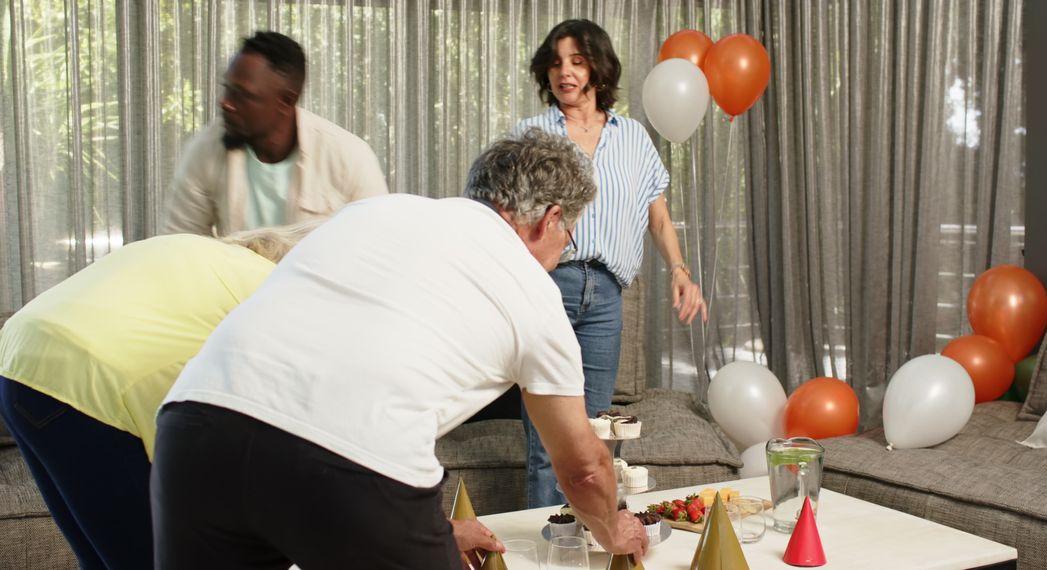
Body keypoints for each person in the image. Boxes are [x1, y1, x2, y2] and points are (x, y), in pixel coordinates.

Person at [150, 129, 649, 569]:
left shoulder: (374, 212)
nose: (565, 249)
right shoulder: (536, 294)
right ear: (549, 219)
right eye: (570, 235)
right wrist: (612, 529)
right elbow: (583, 467)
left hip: (194, 428)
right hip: (348, 463)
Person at [0, 222, 318, 570]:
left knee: (100, 556)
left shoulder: (198, 252)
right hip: (87, 382)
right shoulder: (272, 291)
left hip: (19, 358)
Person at [516, 19, 709, 508]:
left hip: (606, 296)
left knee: (595, 433)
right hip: (547, 289)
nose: (565, 72)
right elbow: (504, 214)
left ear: (598, 69)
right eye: (556, 62)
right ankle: (548, 544)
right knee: (547, 440)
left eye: (577, 61)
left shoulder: (634, 139)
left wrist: (681, 273)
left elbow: (658, 217)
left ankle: (586, 537)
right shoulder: (531, 136)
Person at [163, 30, 388, 236]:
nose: (225, 103)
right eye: (228, 88)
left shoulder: (349, 158)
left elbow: (378, 246)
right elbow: (178, 241)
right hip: (235, 281)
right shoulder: (205, 150)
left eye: (242, 95)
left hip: (316, 281)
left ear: (286, 101)